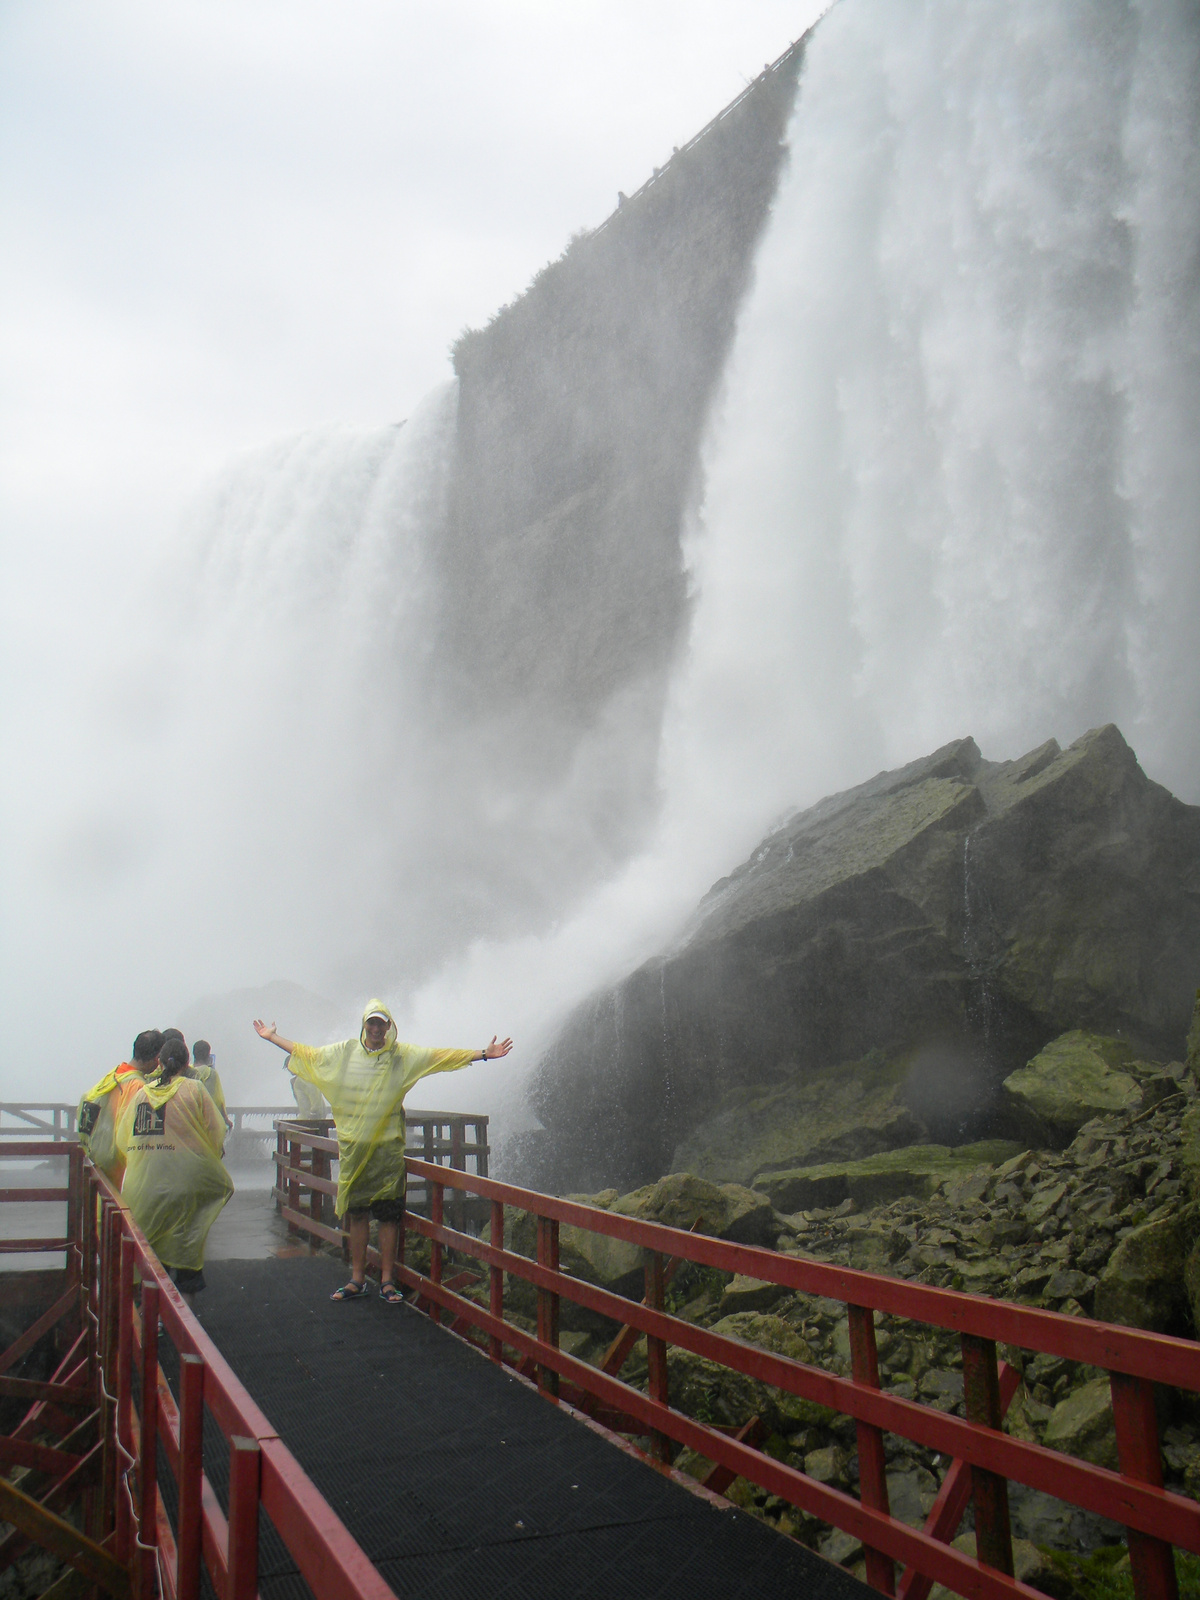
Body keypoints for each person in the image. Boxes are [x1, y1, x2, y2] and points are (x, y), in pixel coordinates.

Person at [253, 1001, 512, 1303]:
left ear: (389, 1027)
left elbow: (438, 1057)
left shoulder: (401, 1056)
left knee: (389, 1216)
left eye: (381, 1024)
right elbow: (309, 1054)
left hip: (387, 1152)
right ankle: (357, 1278)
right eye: (371, 1024)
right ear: (364, 1025)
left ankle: (387, 1280)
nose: (376, 1030)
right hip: (354, 1151)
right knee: (359, 1214)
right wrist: (272, 1038)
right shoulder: (345, 1052)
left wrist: (482, 1054)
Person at [117, 1036, 234, 1312]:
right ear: (186, 1063)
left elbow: (124, 1140)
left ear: (159, 1062)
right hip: (184, 1184)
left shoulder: (141, 1095)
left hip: (143, 1187)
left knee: (149, 1257)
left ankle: (152, 1320)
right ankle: (185, 1328)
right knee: (184, 1251)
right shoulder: (194, 1089)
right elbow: (215, 1132)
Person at [77, 1030, 163, 1187]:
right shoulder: (137, 1087)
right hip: (118, 1171)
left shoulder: (114, 1075)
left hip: (98, 1163)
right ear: (156, 1059)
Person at [188, 1039, 233, 1131]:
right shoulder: (210, 1073)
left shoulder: (187, 1070)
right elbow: (216, 1099)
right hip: (206, 1122)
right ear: (208, 1054)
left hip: (190, 1120)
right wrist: (226, 1120)